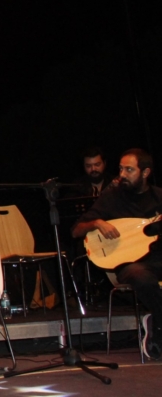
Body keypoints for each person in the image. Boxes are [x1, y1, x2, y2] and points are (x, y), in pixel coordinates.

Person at [72, 149, 162, 359]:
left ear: (145, 172)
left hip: (158, 259)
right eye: (121, 169)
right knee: (143, 277)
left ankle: (156, 322)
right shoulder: (112, 197)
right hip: (127, 264)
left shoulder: (158, 197)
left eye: (129, 170)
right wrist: (97, 223)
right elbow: (76, 230)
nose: (122, 174)